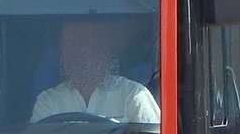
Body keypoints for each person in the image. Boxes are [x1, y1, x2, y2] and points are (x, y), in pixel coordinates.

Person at [30, 18, 160, 124]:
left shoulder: (133, 95)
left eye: (87, 43)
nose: (80, 52)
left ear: (105, 51)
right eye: (71, 44)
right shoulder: (48, 101)